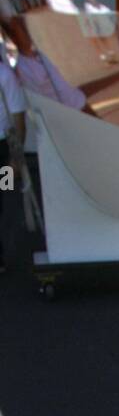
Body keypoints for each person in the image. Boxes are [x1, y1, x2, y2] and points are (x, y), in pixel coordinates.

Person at [0, 50, 26, 273]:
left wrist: (15, 159)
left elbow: (18, 115)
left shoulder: (5, 76)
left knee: (5, 199)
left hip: (1, 146)